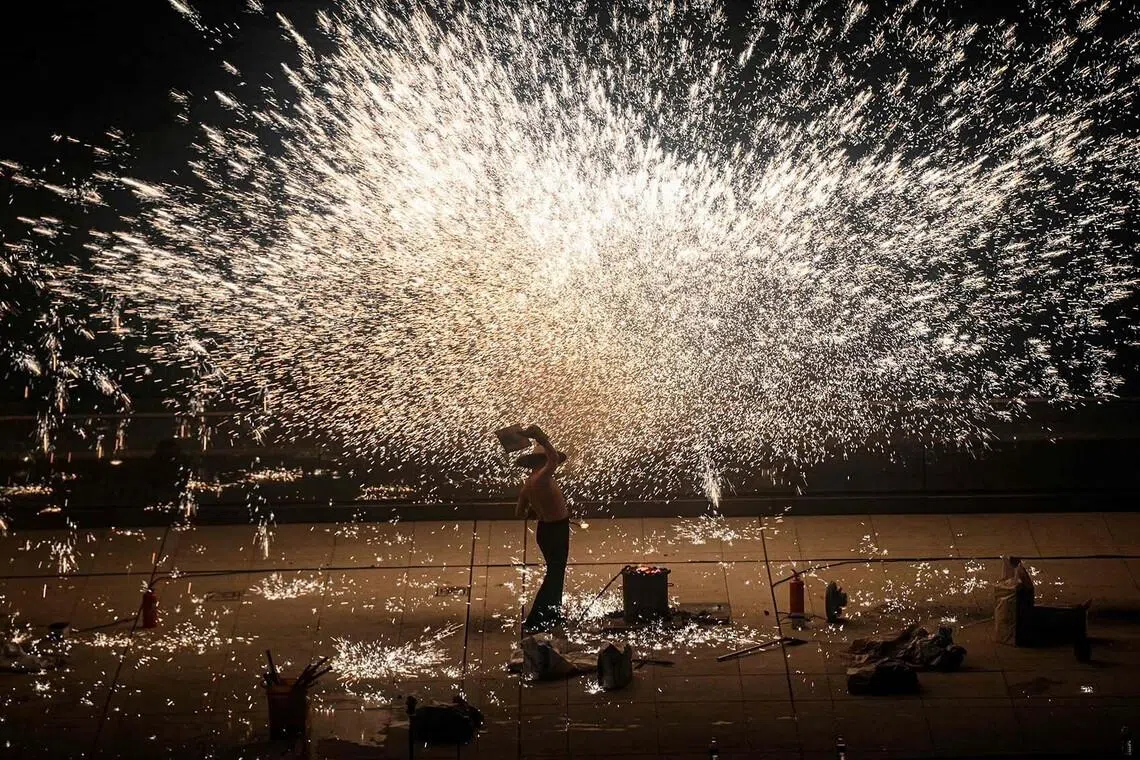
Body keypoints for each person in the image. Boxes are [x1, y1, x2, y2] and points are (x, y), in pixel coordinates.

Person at [515, 425, 569, 634]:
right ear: (541, 462)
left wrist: (540, 511)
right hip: (556, 531)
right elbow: (554, 458)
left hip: (545, 530)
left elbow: (519, 513)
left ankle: (552, 615)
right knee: (554, 576)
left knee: (556, 573)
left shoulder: (528, 484)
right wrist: (541, 438)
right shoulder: (543, 476)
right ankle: (536, 619)